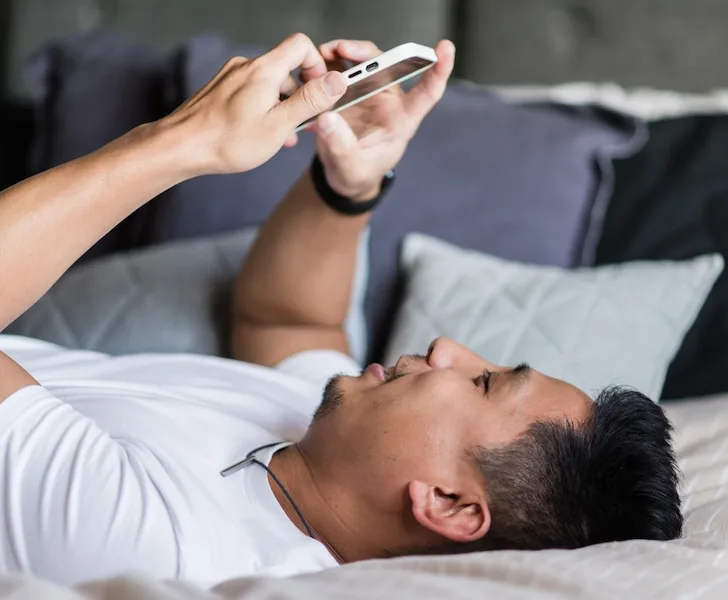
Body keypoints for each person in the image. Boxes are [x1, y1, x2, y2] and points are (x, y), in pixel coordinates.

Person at [0, 34, 682, 587]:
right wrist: (346, 184)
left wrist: (182, 142)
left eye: (483, 381)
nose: (449, 347)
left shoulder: (160, 547)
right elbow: (288, 319)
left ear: (446, 503)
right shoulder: (324, 437)